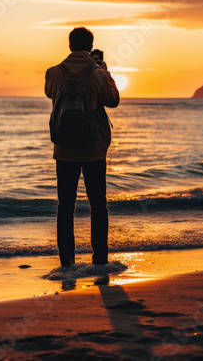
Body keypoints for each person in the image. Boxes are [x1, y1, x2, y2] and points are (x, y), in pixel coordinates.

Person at [45, 27, 120, 267]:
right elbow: (113, 100)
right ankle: (100, 260)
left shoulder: (55, 72)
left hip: (64, 149)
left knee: (65, 206)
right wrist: (105, 73)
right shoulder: (97, 73)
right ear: (90, 46)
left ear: (69, 45)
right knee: (98, 204)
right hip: (93, 149)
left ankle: (67, 262)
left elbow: (49, 93)